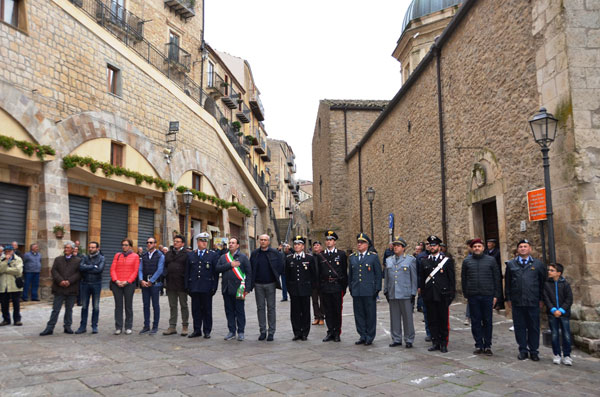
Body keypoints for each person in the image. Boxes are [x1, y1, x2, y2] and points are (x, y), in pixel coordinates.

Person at [505, 239, 546, 361]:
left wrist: (542, 299)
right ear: (518, 250)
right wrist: (508, 298)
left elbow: (543, 283)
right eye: (521, 246)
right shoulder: (511, 264)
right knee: (520, 327)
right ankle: (522, 350)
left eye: (525, 246)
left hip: (533, 301)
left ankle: (534, 351)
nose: (523, 248)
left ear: (530, 249)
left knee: (534, 327)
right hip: (517, 301)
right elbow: (507, 283)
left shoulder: (538, 264)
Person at [461, 238, 502, 355]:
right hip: (473, 295)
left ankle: (488, 345)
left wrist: (496, 295)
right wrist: (466, 294)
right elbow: (464, 279)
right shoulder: (467, 261)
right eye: (475, 247)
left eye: (479, 246)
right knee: (475, 321)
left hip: (487, 295)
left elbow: (497, 278)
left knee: (488, 321)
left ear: (483, 248)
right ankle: (478, 344)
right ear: (472, 248)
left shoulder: (491, 260)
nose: (477, 248)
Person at [419, 235, 455, 353]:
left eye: (434, 245)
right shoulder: (424, 260)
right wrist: (423, 294)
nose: (432, 247)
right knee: (432, 320)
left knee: (443, 320)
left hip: (442, 295)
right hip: (429, 295)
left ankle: (444, 343)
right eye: (430, 245)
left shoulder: (446, 261)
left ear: (439, 247)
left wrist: (451, 295)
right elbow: (422, 279)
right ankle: (435, 342)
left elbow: (451, 279)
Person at [40, 241, 81, 335]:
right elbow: (54, 270)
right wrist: (60, 280)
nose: (66, 249)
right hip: (59, 288)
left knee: (69, 309)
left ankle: (67, 326)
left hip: (71, 288)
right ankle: (50, 328)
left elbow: (79, 273)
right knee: (56, 309)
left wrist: (69, 281)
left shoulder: (78, 260)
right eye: (65, 247)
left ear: (72, 249)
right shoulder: (58, 259)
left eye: (68, 248)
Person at [348, 233, 382, 346]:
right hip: (357, 290)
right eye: (358, 242)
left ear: (367, 244)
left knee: (370, 314)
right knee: (359, 314)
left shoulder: (373, 257)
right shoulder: (352, 257)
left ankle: (370, 336)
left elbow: (378, 274)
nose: (359, 244)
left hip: (369, 291)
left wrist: (377, 289)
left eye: (362, 243)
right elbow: (351, 275)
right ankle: (362, 334)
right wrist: (351, 288)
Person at [216, 237, 252, 341]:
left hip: (239, 288)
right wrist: (230, 265)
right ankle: (231, 331)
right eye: (230, 243)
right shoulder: (223, 257)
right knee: (229, 310)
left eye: (233, 243)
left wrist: (247, 288)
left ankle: (241, 331)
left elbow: (249, 273)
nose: (231, 244)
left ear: (237, 245)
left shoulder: (243, 257)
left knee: (239, 311)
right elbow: (217, 268)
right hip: (226, 288)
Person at [384, 236, 417, 348]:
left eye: (398, 246)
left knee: (408, 318)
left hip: (405, 293)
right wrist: (386, 290)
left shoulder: (410, 259)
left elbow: (414, 277)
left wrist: (413, 293)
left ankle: (409, 339)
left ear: (403, 248)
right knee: (394, 317)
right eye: (394, 245)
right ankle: (396, 338)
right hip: (393, 293)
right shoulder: (389, 260)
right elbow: (387, 277)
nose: (395, 248)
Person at [250, 234, 284, 341]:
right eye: (261, 240)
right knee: (260, 308)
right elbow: (251, 268)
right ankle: (263, 331)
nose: (263, 242)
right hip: (258, 284)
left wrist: (276, 276)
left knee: (271, 308)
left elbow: (280, 265)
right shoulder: (255, 253)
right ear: (259, 241)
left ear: (269, 242)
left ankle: (271, 332)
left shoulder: (274, 253)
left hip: (270, 284)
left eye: (265, 240)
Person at [185, 232, 219, 339]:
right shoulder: (191, 255)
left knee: (207, 310)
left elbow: (215, 273)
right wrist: (187, 286)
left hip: (207, 287)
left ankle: (207, 330)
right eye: (202, 241)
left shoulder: (212, 255)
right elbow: (187, 272)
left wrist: (214, 287)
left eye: (206, 241)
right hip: (194, 287)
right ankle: (197, 330)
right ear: (197, 242)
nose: (204, 243)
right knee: (195, 310)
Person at [317, 231, 348, 342]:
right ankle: (330, 331)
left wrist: (343, 288)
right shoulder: (321, 255)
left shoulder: (341, 254)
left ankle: (337, 332)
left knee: (337, 311)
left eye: (331, 240)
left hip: (336, 286)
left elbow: (344, 272)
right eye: (327, 240)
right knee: (328, 311)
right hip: (325, 286)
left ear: (334, 242)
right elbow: (319, 273)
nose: (328, 242)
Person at [285, 236, 317, 341]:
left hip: (305, 289)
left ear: (303, 246)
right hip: (294, 290)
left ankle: (305, 333)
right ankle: (297, 332)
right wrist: (289, 288)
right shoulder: (289, 259)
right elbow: (287, 275)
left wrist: (311, 288)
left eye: (299, 244)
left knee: (305, 312)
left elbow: (313, 275)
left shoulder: (309, 258)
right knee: (295, 312)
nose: (296, 246)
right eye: (295, 244)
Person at [543, 263, 573, 366]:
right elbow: (546, 298)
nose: (549, 272)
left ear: (558, 273)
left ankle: (567, 355)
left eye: (552, 270)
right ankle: (556, 354)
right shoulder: (547, 284)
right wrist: (553, 309)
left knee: (566, 335)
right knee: (554, 334)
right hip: (552, 314)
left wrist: (561, 310)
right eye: (549, 270)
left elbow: (569, 299)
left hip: (564, 314)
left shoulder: (565, 284)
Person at [110, 238, 140, 335]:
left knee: (128, 306)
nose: (124, 246)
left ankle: (128, 326)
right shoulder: (117, 255)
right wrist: (116, 280)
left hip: (128, 284)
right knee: (118, 306)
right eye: (122, 244)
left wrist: (127, 281)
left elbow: (135, 271)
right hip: (117, 284)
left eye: (126, 245)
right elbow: (112, 269)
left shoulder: (135, 256)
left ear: (130, 246)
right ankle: (118, 327)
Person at [75, 241, 105, 334]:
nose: (91, 249)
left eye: (93, 247)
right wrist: (93, 266)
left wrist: (87, 267)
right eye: (90, 247)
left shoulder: (102, 258)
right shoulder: (85, 257)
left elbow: (99, 269)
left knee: (95, 306)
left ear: (97, 248)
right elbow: (80, 267)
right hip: (85, 283)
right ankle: (82, 326)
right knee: (84, 306)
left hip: (96, 284)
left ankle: (94, 326)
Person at [163, 235, 190, 336]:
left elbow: (188, 269)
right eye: (174, 241)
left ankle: (185, 326)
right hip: (171, 283)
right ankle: (172, 326)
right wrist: (165, 275)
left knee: (183, 305)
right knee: (172, 305)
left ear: (182, 243)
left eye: (178, 241)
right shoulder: (169, 253)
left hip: (181, 284)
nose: (175, 243)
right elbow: (165, 266)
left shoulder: (187, 254)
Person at [138, 237, 164, 335]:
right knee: (146, 305)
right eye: (147, 242)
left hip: (155, 284)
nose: (149, 244)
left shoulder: (160, 255)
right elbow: (140, 269)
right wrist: (141, 280)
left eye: (151, 242)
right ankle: (146, 325)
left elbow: (160, 269)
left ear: (155, 244)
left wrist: (151, 281)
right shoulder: (144, 255)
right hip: (145, 283)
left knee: (155, 305)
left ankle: (155, 326)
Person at [0, 245, 24, 326]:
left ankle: (17, 320)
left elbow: (18, 271)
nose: (8, 253)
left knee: (16, 304)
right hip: (4, 285)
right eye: (6, 251)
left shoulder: (18, 259)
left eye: (9, 251)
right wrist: (6, 261)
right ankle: (6, 319)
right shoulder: (1, 259)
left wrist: (5, 270)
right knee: (4, 304)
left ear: (13, 251)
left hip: (14, 285)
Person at [416, 239, 431, 340]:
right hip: (425, 288)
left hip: (437, 289)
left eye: (431, 244)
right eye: (427, 244)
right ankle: (429, 333)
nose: (429, 246)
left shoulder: (443, 257)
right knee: (426, 312)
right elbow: (418, 273)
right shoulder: (420, 257)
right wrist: (418, 286)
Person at [486, 239, 504, 311]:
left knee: (498, 288)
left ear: (494, 244)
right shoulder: (486, 252)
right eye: (488, 243)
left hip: (496, 273)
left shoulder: (498, 252)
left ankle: (499, 304)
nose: (488, 245)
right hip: (489, 274)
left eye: (490, 243)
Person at [311, 241, 324, 325]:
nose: (316, 246)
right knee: (314, 301)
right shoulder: (311, 257)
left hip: (322, 282)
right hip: (313, 282)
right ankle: (316, 317)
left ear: (321, 247)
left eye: (317, 245)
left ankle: (322, 317)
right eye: (314, 245)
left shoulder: (324, 256)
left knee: (322, 301)